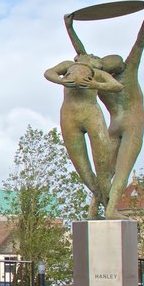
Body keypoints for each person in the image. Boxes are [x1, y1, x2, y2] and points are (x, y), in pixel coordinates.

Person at [65, 2, 144, 218]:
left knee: (109, 170)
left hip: (119, 124)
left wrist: (70, 28)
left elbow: (83, 54)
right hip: (130, 122)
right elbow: (139, 44)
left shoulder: (103, 76)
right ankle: (109, 210)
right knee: (116, 170)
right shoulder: (118, 74)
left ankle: (98, 209)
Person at [44, 59, 123, 218]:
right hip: (69, 117)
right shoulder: (67, 66)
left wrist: (96, 85)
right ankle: (104, 204)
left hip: (92, 115)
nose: (89, 56)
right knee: (83, 169)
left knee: (103, 165)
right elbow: (48, 72)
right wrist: (63, 81)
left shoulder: (98, 73)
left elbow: (117, 86)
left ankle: (110, 208)